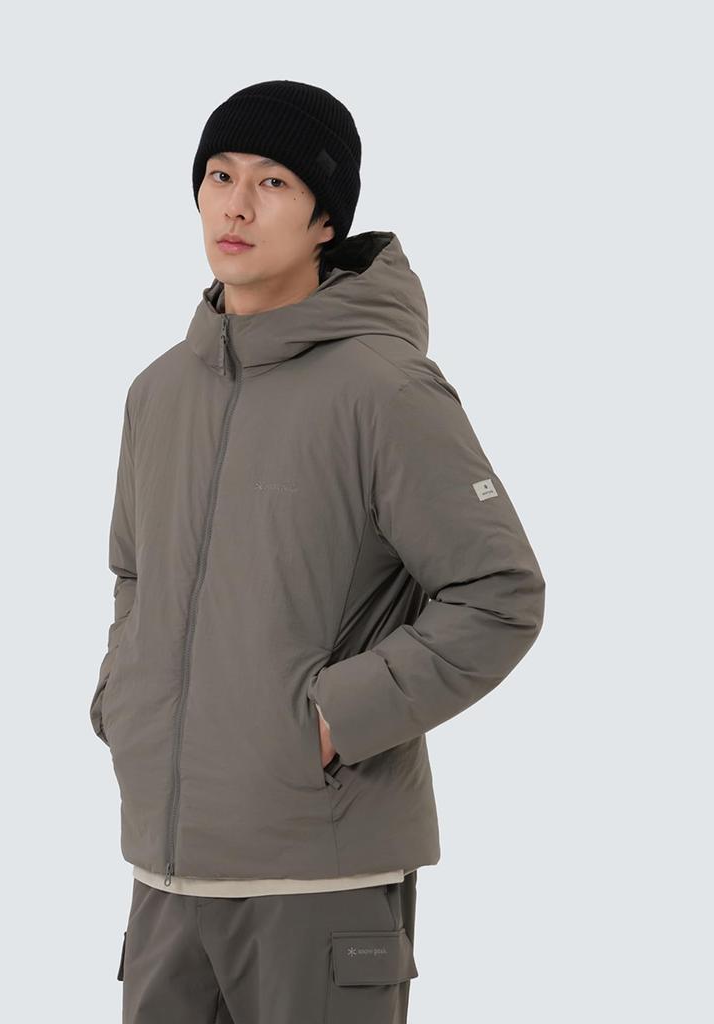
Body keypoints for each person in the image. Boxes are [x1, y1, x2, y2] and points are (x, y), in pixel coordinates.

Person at [89, 79, 546, 1024]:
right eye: (219, 175)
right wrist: (123, 699)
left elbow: (498, 592)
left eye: (273, 182)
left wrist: (333, 720)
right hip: (165, 881)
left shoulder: (383, 389)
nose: (236, 205)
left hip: (317, 881)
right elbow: (135, 575)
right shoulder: (157, 392)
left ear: (325, 220)